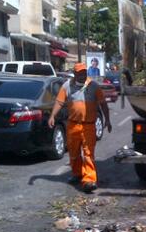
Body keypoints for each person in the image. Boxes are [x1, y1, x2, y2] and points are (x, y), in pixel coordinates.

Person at [48, 63, 112, 193]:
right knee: (74, 153)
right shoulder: (67, 86)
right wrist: (52, 116)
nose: (83, 75)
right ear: (75, 74)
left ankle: (89, 179)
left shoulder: (93, 86)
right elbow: (60, 102)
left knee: (88, 154)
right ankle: (77, 174)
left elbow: (103, 104)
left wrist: (107, 120)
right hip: (73, 125)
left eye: (84, 72)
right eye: (80, 73)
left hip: (88, 126)